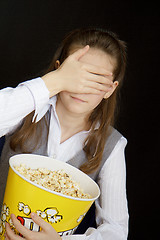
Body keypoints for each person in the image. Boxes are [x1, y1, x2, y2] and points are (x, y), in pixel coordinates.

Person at [0, 27, 129, 240]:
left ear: (110, 89)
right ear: (59, 69)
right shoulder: (26, 110)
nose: (82, 87)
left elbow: (116, 230)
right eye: (76, 75)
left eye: (96, 80)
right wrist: (54, 82)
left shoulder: (112, 146)